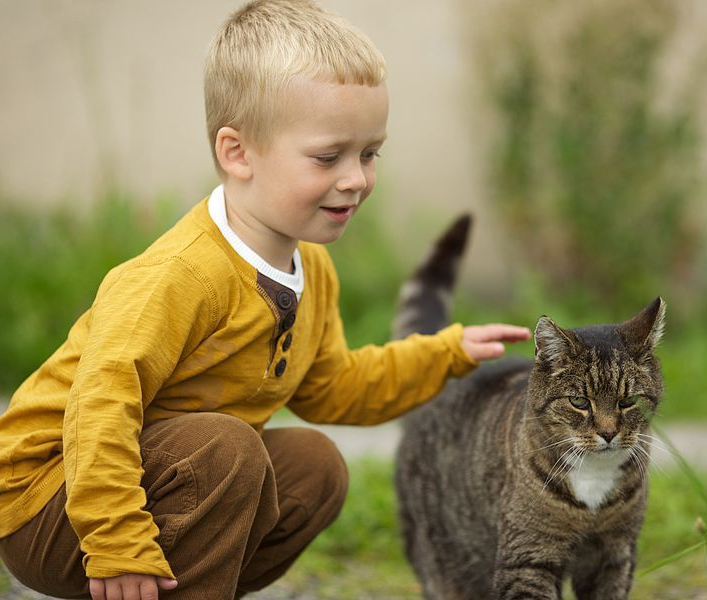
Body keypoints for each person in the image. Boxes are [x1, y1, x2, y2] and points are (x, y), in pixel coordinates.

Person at [0, 1, 531, 598]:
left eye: (369, 153)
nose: (355, 177)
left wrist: (446, 353)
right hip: (49, 501)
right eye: (328, 156)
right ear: (238, 154)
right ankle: (137, 575)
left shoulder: (312, 267)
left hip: (154, 481)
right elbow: (99, 407)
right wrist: (116, 538)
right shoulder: (180, 276)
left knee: (314, 466)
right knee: (227, 449)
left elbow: (333, 387)